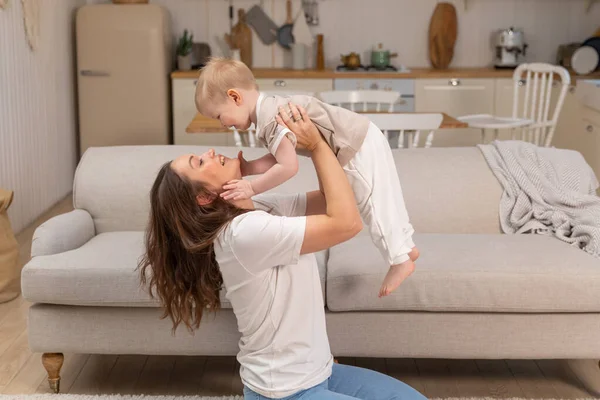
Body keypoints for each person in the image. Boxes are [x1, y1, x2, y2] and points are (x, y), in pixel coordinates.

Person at [138, 103, 428, 400]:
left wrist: (306, 144)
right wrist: (315, 146)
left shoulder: (263, 207)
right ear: (204, 196)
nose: (208, 153)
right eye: (198, 163)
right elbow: (347, 223)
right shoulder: (242, 234)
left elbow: (338, 197)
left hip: (319, 374)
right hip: (283, 392)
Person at [194, 57, 418, 297]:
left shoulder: (270, 119)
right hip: (364, 136)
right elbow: (281, 154)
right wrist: (250, 168)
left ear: (235, 97)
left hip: (354, 146)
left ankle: (399, 259)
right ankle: (407, 246)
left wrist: (252, 188)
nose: (222, 125)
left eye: (219, 116)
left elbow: (288, 166)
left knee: (372, 202)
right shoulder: (270, 110)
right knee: (387, 195)